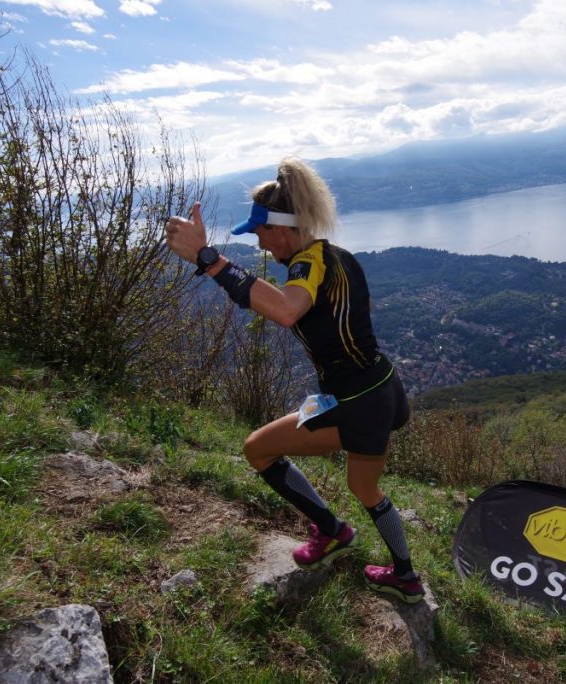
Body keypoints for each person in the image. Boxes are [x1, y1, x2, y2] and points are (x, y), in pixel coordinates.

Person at [163, 157, 424, 603]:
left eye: (260, 233)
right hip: (376, 388)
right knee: (325, 471)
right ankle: (367, 552)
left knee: (271, 453)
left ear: (281, 228)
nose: (260, 244)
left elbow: (287, 309)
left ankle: (371, 555)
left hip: (356, 403)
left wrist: (210, 259)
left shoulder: (309, 263)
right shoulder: (335, 256)